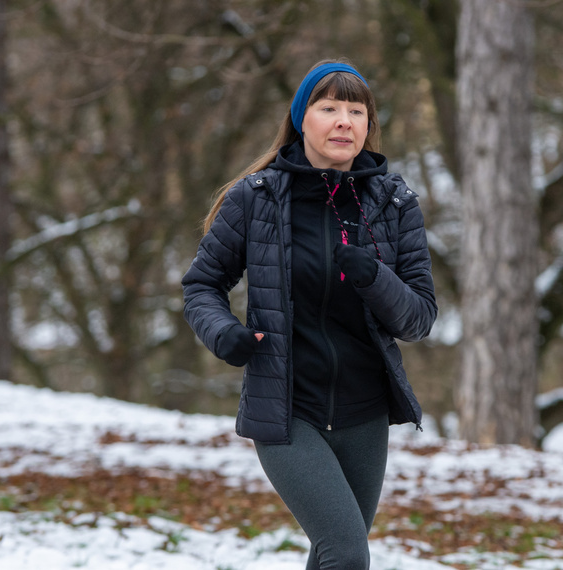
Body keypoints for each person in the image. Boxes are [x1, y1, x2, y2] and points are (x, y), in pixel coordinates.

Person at [181, 58, 437, 569]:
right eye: (329, 108)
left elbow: (419, 318)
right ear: (302, 120)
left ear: (368, 124)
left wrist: (373, 277)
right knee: (345, 552)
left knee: (333, 555)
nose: (345, 121)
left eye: (356, 110)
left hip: (364, 414)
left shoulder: (394, 202)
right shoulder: (256, 199)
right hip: (287, 410)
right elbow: (202, 286)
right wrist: (224, 333)